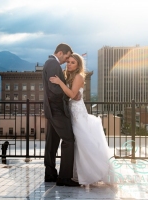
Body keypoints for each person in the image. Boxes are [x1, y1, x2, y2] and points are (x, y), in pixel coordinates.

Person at [49, 53, 113, 186]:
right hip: (71, 112)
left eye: (73, 62)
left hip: (78, 113)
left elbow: (72, 94)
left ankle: (95, 172)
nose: (70, 64)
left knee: (82, 142)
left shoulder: (78, 76)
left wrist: (60, 82)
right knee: (76, 144)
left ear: (78, 65)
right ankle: (76, 174)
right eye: (69, 62)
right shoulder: (68, 75)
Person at [42, 43, 81, 187]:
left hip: (52, 110)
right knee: (69, 140)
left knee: (52, 143)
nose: (66, 60)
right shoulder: (53, 64)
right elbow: (55, 90)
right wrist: (70, 96)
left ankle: (50, 174)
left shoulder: (50, 63)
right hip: (57, 110)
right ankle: (64, 177)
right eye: (66, 56)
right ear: (60, 53)